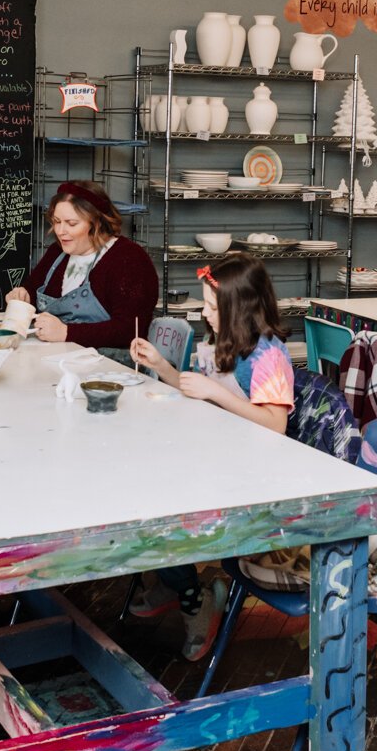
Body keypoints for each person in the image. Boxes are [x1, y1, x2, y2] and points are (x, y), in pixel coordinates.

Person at [128, 253, 296, 658]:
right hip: (216, 455)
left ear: (241, 308)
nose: (203, 312)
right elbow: (196, 388)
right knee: (140, 482)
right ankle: (174, 580)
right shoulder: (218, 339)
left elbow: (275, 425)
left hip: (252, 473)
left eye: (210, 306)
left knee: (163, 504)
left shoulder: (267, 356)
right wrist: (162, 366)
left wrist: (216, 393)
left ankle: (192, 598)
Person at [4, 180, 157, 355]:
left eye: (71, 223)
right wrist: (22, 296)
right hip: (62, 358)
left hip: (113, 368)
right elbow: (31, 292)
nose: (60, 231)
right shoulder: (58, 252)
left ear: (96, 223)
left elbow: (130, 330)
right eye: (56, 221)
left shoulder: (128, 259)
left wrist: (67, 332)